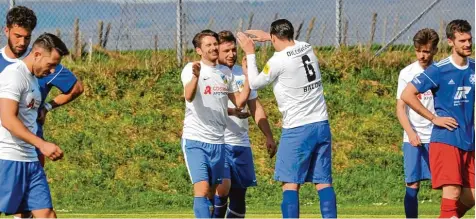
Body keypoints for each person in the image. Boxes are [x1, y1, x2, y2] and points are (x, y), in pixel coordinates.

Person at [236, 19, 337, 218]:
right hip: (321, 124)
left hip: (298, 128)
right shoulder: (306, 47)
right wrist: (269, 36)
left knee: (290, 183)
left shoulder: (278, 61)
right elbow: (291, 43)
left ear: (275, 37)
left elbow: (255, 83)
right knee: (323, 182)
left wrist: (250, 52)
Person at [401, 19, 475, 218]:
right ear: (451, 42)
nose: (468, 44)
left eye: (469, 39)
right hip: (446, 139)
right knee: (452, 192)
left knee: (471, 196)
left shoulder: (474, 67)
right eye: (462, 41)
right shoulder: (439, 70)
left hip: (468, 141)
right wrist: (434, 118)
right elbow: (407, 95)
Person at [0, 6, 84, 168]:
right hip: (4, 150)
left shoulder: (43, 61)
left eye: (27, 37)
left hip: (32, 146)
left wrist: (46, 107)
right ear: (6, 31)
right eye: (18, 36)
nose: (22, 43)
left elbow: (76, 88)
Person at [180, 29, 250, 218]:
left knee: (212, 193)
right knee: (202, 191)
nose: (213, 47)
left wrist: (248, 75)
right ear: (199, 50)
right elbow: (188, 95)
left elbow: (240, 101)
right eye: (208, 45)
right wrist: (195, 77)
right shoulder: (191, 68)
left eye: (214, 44)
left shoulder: (225, 72)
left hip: (219, 143)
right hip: (196, 140)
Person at [0, 33, 69, 218]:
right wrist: (42, 144)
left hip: (30, 160)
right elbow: (7, 119)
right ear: (37, 54)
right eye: (51, 64)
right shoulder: (14, 75)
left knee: (46, 214)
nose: (53, 71)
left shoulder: (32, 79)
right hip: (7, 159)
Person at [212, 30, 277, 218]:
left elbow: (255, 106)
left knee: (239, 196)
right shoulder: (213, 75)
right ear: (217, 51)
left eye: (234, 50)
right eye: (226, 51)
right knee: (222, 188)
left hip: (240, 143)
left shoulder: (242, 74)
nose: (232, 54)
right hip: (219, 142)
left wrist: (268, 136)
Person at [395, 28, 439, 218]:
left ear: (435, 50)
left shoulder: (441, 72)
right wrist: (411, 133)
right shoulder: (407, 73)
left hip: (438, 136)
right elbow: (400, 108)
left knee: (447, 184)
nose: (422, 55)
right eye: (419, 50)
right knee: (412, 184)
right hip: (414, 137)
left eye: (427, 51)